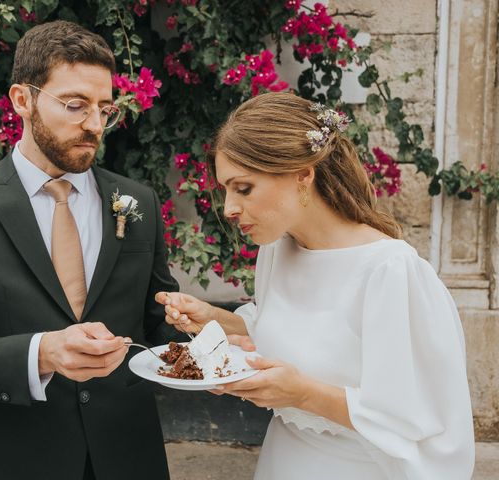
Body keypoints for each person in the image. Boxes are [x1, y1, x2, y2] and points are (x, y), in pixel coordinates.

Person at [0, 20, 181, 480]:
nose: (94, 124)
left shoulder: (138, 201)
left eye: (105, 109)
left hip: (128, 457)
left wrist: (216, 343)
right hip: (12, 459)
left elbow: (160, 326)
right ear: (22, 100)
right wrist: (42, 353)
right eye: (75, 105)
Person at [156, 92, 475, 479]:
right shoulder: (277, 251)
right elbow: (294, 335)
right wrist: (215, 319)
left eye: (243, 188)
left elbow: (418, 420)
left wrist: (302, 394)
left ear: (303, 174)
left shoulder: (390, 270)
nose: (228, 209)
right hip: (283, 460)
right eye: (226, 190)